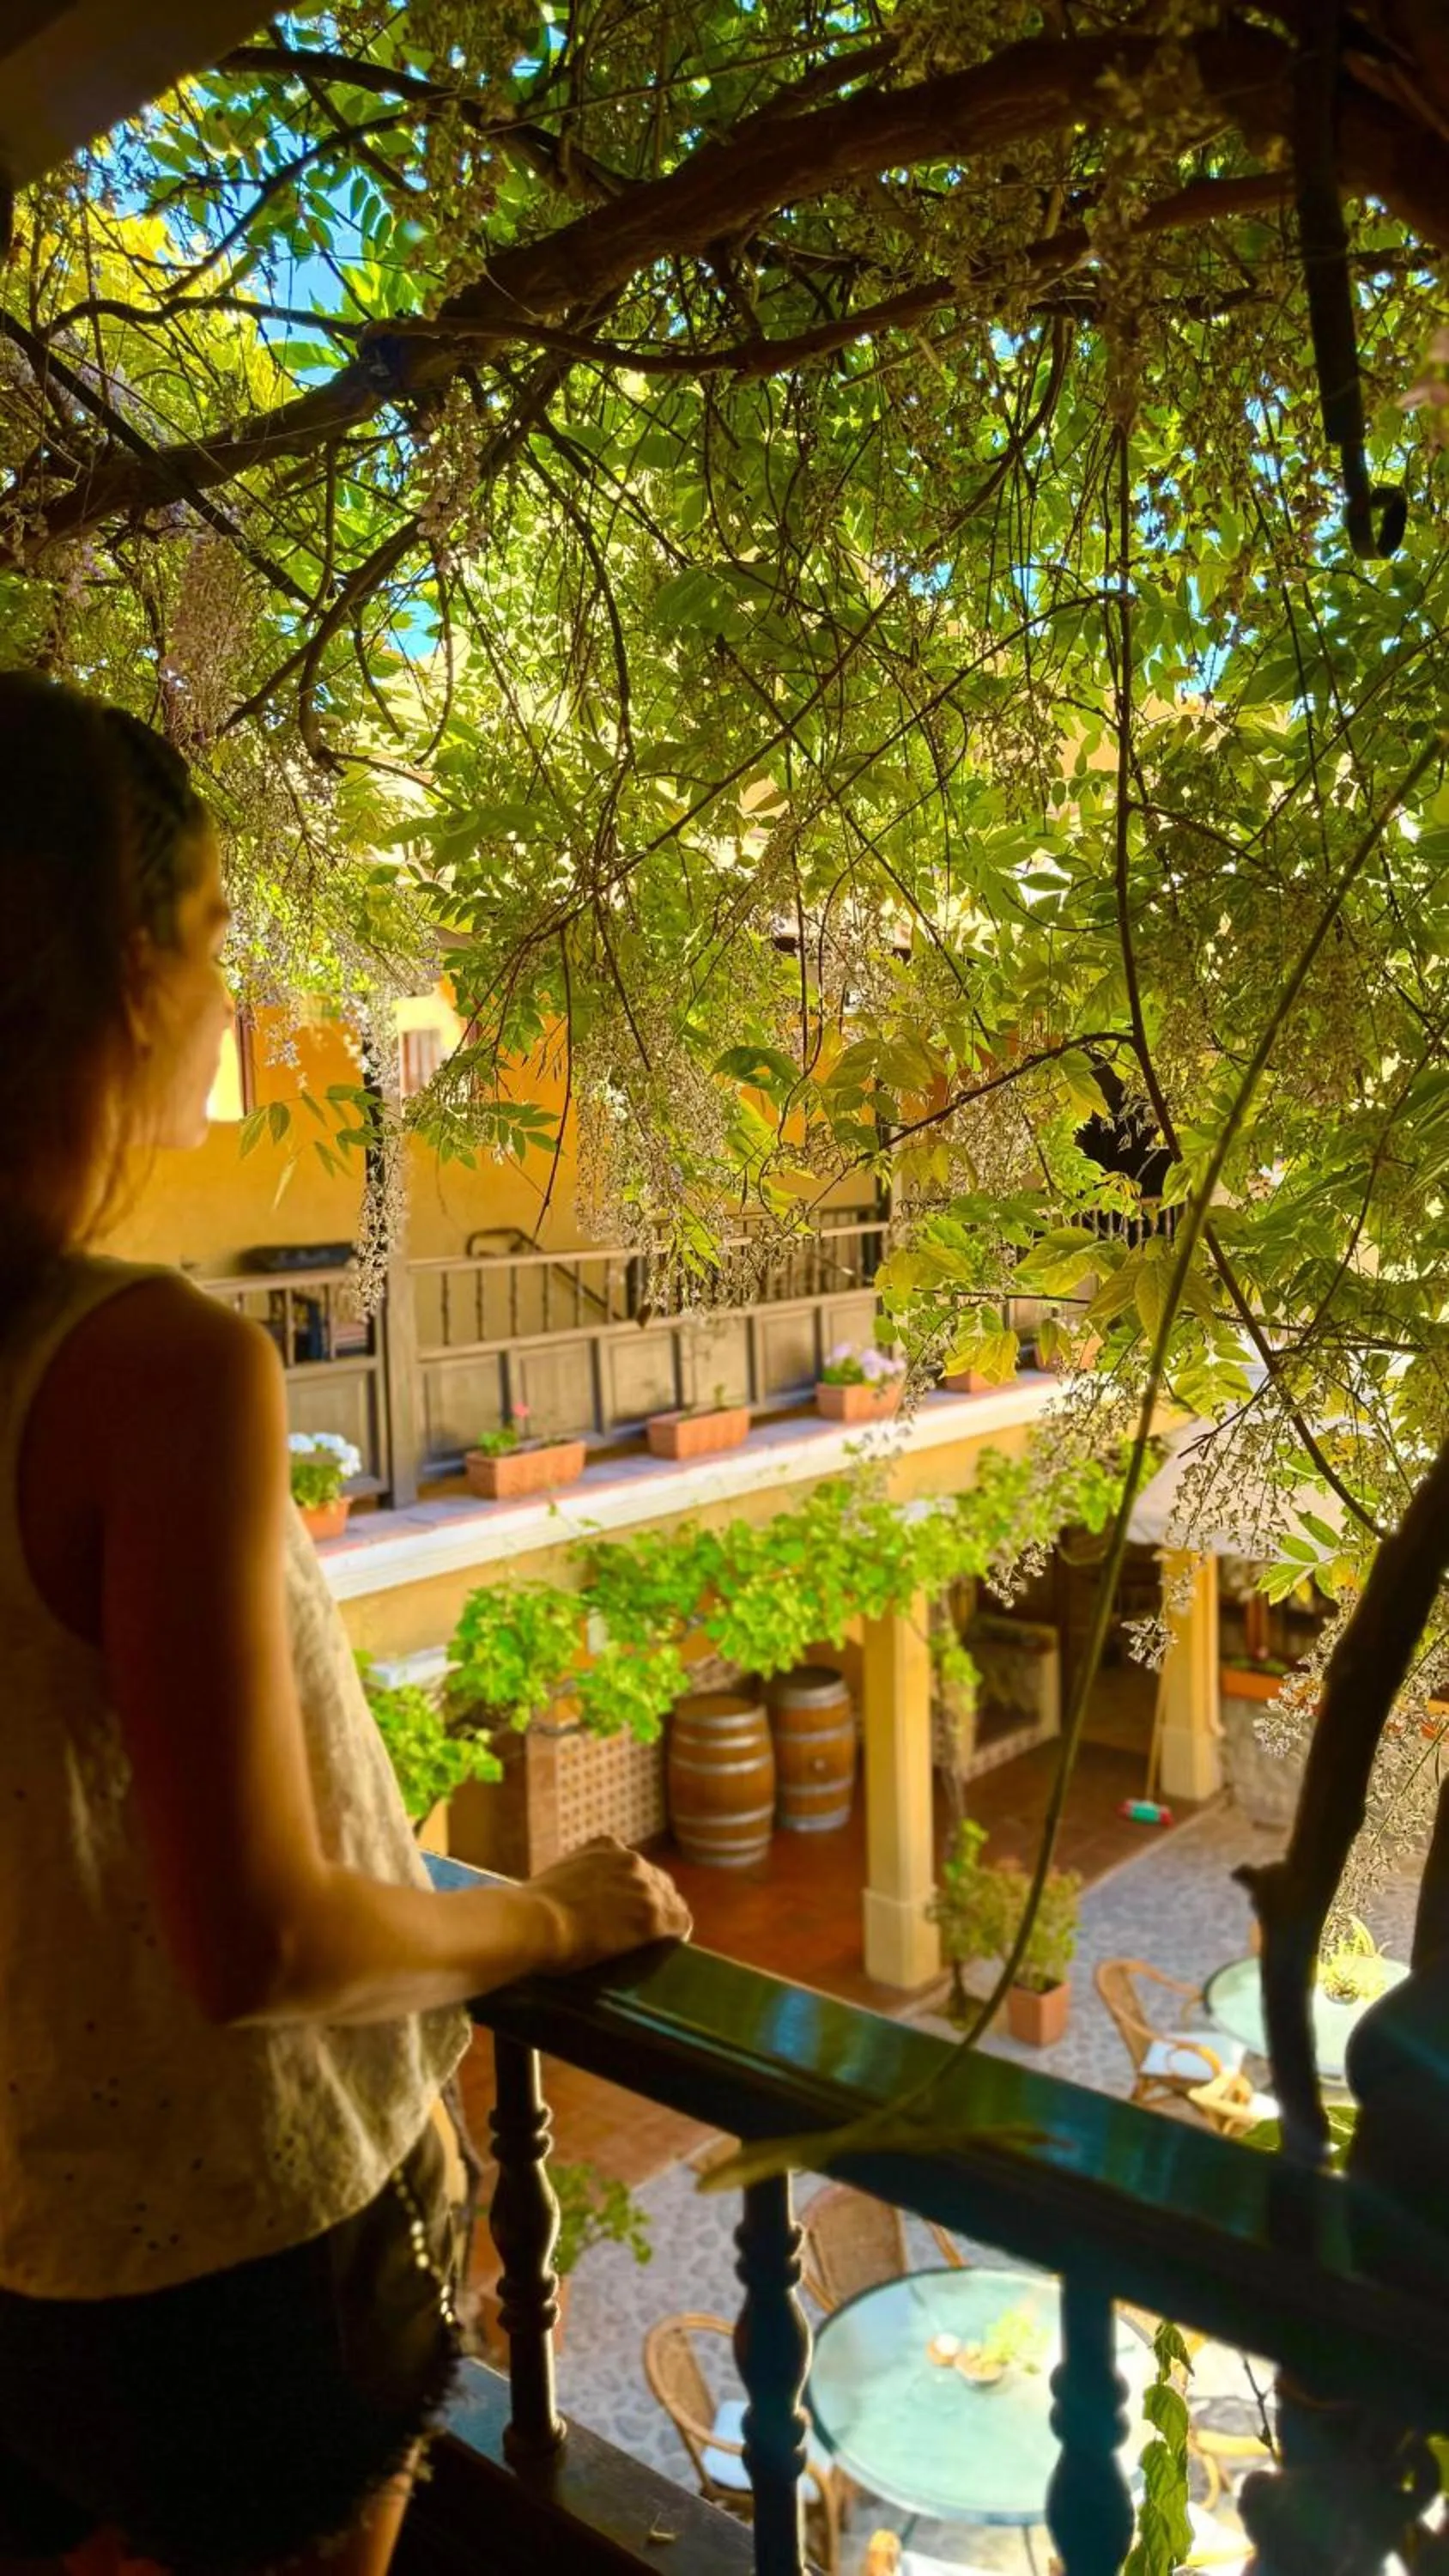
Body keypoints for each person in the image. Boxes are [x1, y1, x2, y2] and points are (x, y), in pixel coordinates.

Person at [0, 672, 691, 2576]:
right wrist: (545, 1918)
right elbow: (265, 1938)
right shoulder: (155, 1368)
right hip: (246, 2264)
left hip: (31, 2258)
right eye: (216, 940)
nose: (225, 999)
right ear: (117, 969)